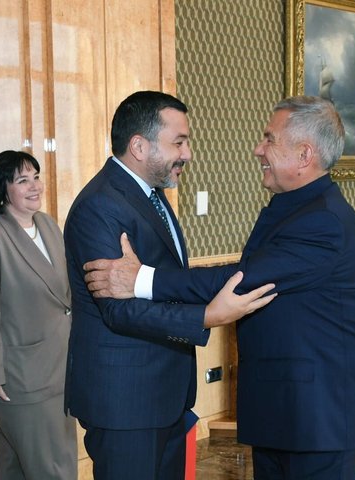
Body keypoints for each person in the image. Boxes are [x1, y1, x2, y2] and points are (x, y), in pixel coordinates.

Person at [84, 96, 355, 479]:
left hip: (318, 419)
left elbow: (243, 278)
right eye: (179, 141)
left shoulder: (323, 220)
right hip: (285, 412)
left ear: (304, 155)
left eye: (269, 139)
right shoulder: (295, 206)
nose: (258, 149)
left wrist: (140, 278)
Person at [63, 90, 277, 479]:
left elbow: (167, 282)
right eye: (179, 142)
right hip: (126, 402)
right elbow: (119, 309)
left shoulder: (151, 197)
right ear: (139, 146)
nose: (188, 154)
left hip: (164, 396)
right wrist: (207, 316)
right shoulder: (100, 206)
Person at [0, 150, 77, 479]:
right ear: (2, 189)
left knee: (14, 469)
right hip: (24, 380)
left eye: (36, 177)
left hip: (60, 368)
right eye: (22, 180)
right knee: (54, 468)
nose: (35, 186)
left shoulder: (48, 226)